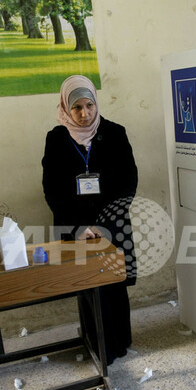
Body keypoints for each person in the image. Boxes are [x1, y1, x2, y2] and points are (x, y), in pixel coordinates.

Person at [41, 75, 138, 365]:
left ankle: (120, 342)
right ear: (65, 108)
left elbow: (128, 182)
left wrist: (103, 224)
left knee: (113, 284)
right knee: (87, 286)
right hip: (76, 227)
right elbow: (52, 189)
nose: (85, 114)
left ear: (97, 104)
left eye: (89, 106)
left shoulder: (115, 133)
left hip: (111, 225)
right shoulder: (56, 139)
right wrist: (79, 227)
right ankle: (98, 345)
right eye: (77, 108)